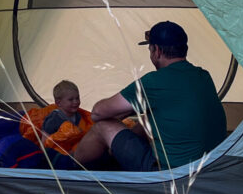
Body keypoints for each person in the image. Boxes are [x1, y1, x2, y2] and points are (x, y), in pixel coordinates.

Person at [71, 21, 226, 171]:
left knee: (103, 127)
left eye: (150, 50)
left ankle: (67, 166)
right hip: (209, 170)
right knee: (150, 117)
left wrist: (127, 112)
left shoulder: (154, 81)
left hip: (170, 177)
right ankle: (114, 155)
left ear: (157, 51)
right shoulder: (203, 76)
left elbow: (98, 113)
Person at [19, 80, 94, 156]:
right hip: (58, 152)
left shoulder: (78, 116)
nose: (76, 102)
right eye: (71, 99)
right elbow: (45, 141)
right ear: (58, 103)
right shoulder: (54, 118)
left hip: (74, 150)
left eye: (77, 98)